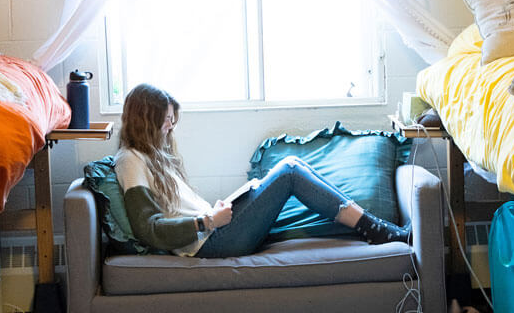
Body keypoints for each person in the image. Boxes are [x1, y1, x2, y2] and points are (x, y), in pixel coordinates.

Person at [115, 84, 409, 258]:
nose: (170, 127)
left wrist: (212, 212)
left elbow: (178, 210)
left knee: (295, 168)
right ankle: (376, 229)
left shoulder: (154, 157)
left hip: (213, 231)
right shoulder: (130, 160)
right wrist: (206, 222)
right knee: (290, 170)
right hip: (209, 244)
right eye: (166, 120)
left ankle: (373, 227)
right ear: (147, 121)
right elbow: (149, 228)